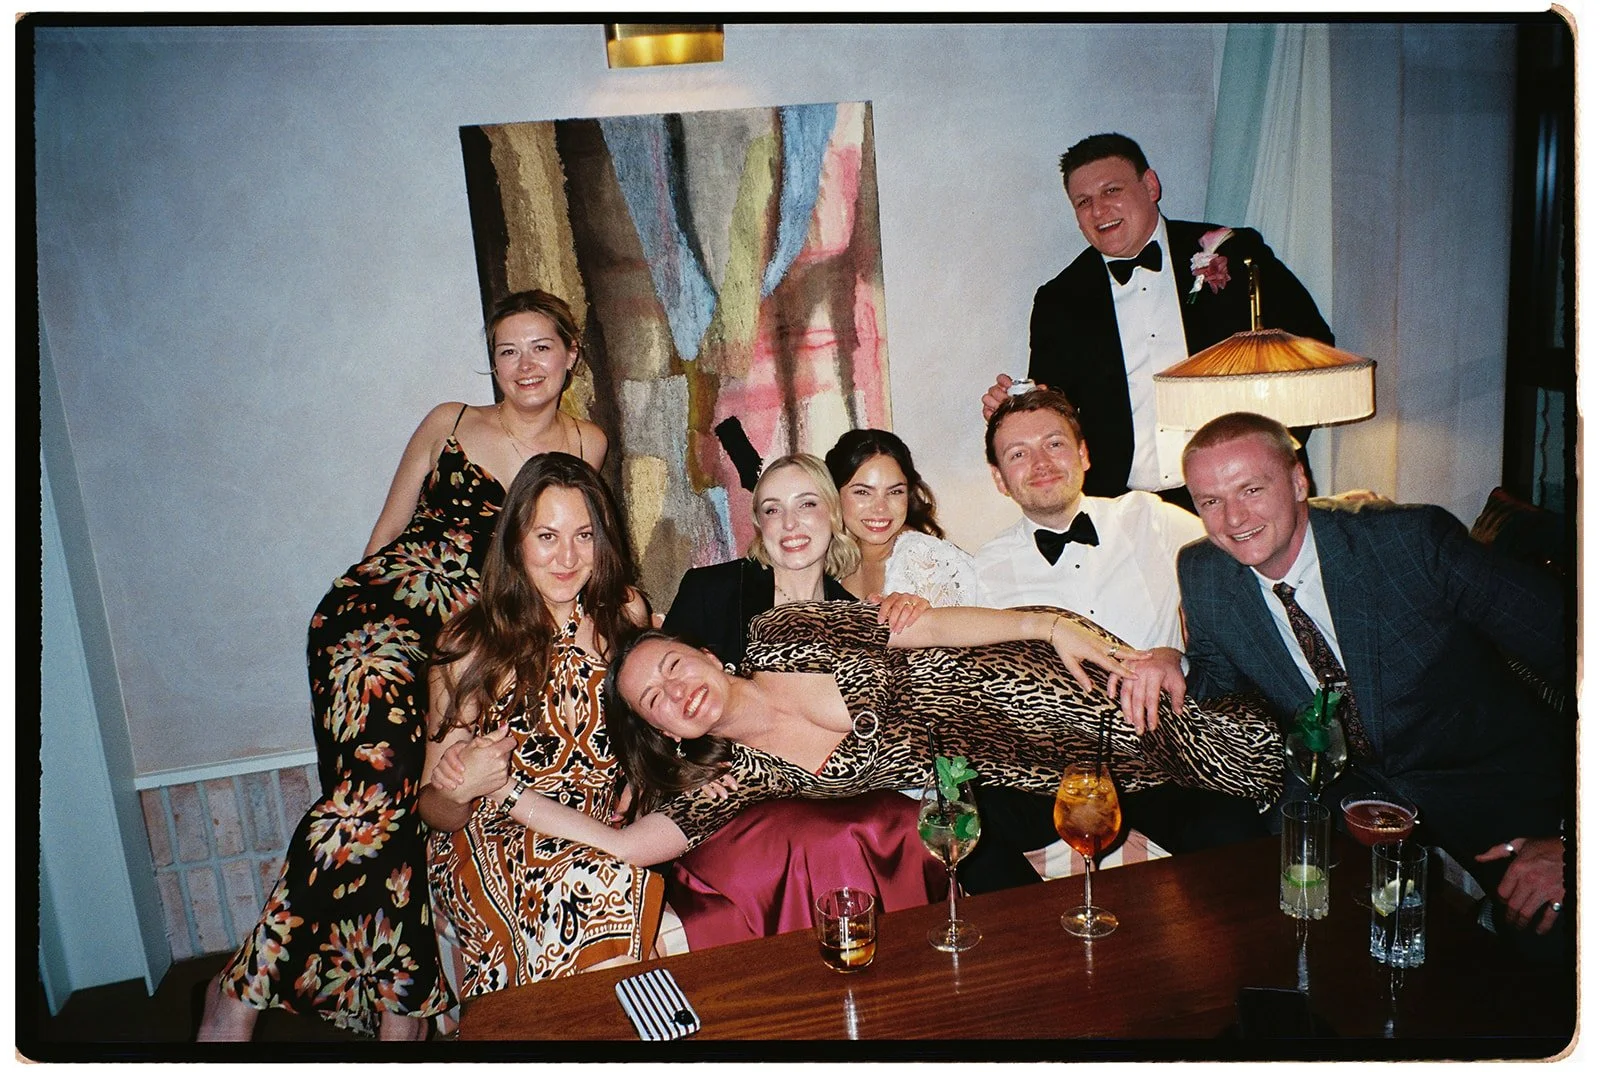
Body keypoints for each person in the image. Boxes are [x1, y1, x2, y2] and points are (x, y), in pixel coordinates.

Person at [199, 289, 602, 1041]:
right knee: (378, 795)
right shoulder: (449, 420)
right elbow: (384, 537)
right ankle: (249, 996)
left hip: (456, 638)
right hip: (375, 620)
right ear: (492, 363)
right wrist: (360, 627)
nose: (525, 365)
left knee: (394, 815)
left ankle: (397, 1012)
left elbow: (569, 548)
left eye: (541, 347)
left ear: (571, 355)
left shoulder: (588, 443)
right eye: (507, 351)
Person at [1178, 411, 1573, 955]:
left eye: (1251, 489)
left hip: (1490, 777)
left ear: (1298, 481)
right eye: (1210, 501)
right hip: (1351, 791)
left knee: (1557, 942)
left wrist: (1571, 841)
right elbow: (1218, 682)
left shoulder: (1407, 542)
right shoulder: (1203, 571)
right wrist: (1171, 662)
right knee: (1291, 938)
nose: (1233, 518)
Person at [497, 601, 1283, 868]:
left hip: (1054, 683)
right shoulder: (747, 775)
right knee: (1222, 797)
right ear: (664, 731)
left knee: (1255, 748)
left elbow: (923, 627)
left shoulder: (779, 632)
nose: (676, 692)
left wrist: (1046, 624)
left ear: (704, 653)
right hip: (1041, 770)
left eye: (672, 667)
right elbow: (634, 847)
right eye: (654, 702)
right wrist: (505, 794)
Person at [967, 387, 1261, 885]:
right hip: (1054, 771)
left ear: (1083, 453)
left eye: (1055, 444)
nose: (1041, 463)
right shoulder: (982, 570)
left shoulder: (1151, 517)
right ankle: (1038, 933)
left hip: (1166, 753)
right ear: (999, 479)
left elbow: (1241, 562)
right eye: (1018, 454)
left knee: (1236, 837)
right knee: (972, 828)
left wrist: (1178, 655)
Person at [657, 453, 941, 948]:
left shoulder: (856, 614)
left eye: (806, 504)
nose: (789, 524)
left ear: (832, 514)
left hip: (829, 792)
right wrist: (690, 771)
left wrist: (913, 612)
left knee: (894, 823)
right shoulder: (712, 590)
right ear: (758, 524)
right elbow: (654, 701)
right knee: (832, 838)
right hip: (735, 803)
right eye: (772, 509)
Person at [980, 132, 1333, 508]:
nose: (1099, 211)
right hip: (1120, 509)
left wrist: (1275, 455)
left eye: (1111, 191)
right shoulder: (1059, 299)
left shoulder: (1234, 252)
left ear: (1150, 186)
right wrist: (1014, 408)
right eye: (1083, 202)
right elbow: (1053, 413)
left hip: (1237, 491)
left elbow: (1312, 351)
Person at [420, 452, 658, 998]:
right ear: (515, 542)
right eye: (547, 536)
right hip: (493, 835)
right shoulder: (470, 644)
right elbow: (433, 810)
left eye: (584, 535)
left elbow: (647, 725)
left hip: (595, 828)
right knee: (595, 881)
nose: (567, 558)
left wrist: (640, 775)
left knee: (598, 874)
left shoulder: (626, 614)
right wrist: (459, 788)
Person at [823, 428, 985, 607]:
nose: (880, 508)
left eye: (895, 492)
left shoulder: (924, 558)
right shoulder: (835, 560)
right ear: (834, 494)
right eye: (863, 492)